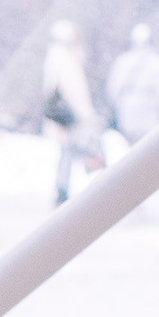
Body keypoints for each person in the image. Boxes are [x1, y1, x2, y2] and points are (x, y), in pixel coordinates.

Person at [40, 19, 104, 205]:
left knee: (68, 153)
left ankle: (63, 189)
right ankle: (101, 185)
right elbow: (74, 92)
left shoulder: (54, 58)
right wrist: (86, 115)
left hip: (65, 119)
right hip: (73, 118)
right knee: (90, 149)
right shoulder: (64, 60)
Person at [106, 21, 159, 150]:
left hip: (127, 114)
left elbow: (113, 91)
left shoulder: (122, 62)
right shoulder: (158, 63)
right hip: (150, 115)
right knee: (148, 150)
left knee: (129, 152)